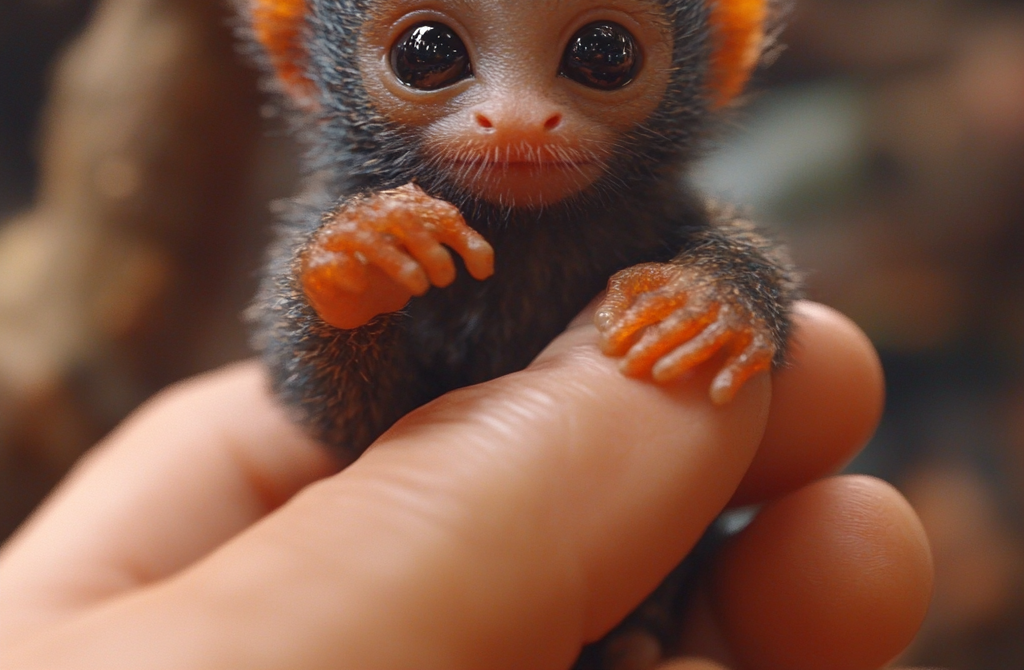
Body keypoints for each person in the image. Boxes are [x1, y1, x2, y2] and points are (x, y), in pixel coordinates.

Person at [0, 301, 931, 669]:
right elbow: (321, 411)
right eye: (431, 55)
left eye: (600, 55)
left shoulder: (672, 223)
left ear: (719, 45)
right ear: (297, 44)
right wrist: (338, 294)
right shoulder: (359, 230)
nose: (512, 113)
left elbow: (743, 276)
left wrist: (720, 294)